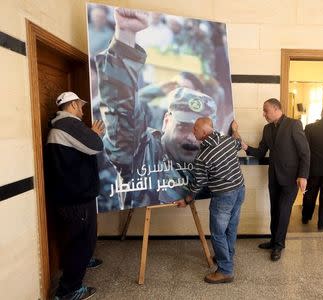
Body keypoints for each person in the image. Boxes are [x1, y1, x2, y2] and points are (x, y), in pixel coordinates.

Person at [96, 8, 217, 208]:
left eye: (199, 130)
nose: (191, 137)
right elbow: (122, 112)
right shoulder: (142, 150)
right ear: (167, 121)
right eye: (183, 126)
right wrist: (126, 34)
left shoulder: (210, 158)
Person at [45, 91, 105, 300]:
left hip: (71, 195)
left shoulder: (60, 126)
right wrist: (94, 133)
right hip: (76, 198)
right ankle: (68, 290)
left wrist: (88, 133)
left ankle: (82, 260)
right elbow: (96, 146)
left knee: (79, 239)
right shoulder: (69, 124)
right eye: (80, 105)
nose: (82, 109)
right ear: (71, 105)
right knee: (80, 241)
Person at [175, 118, 245, 284]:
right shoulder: (228, 140)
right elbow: (239, 143)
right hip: (240, 190)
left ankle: (225, 270)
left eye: (196, 129)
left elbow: (197, 184)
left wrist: (187, 200)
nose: (193, 131)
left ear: (205, 133)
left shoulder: (203, 156)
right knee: (231, 227)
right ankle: (227, 256)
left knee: (218, 233)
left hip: (223, 197)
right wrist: (235, 129)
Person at [241, 98, 310, 261]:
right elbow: (260, 152)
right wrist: (245, 147)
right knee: (275, 210)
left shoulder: (294, 125)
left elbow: (305, 153)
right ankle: (273, 241)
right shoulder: (267, 129)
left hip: (292, 178)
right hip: (274, 177)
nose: (264, 114)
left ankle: (279, 245)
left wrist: (303, 175)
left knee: (284, 211)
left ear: (276, 108)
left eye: (266, 110)